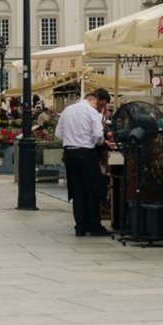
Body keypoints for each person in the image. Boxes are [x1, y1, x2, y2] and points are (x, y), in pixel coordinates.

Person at [56, 89, 113, 236]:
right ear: (94, 100)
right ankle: (94, 225)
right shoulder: (92, 112)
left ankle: (80, 226)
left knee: (77, 190)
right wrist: (96, 141)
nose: (101, 107)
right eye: (100, 104)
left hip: (70, 153)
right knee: (93, 189)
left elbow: (58, 134)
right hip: (86, 153)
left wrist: (71, 139)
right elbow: (98, 137)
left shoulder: (67, 110)